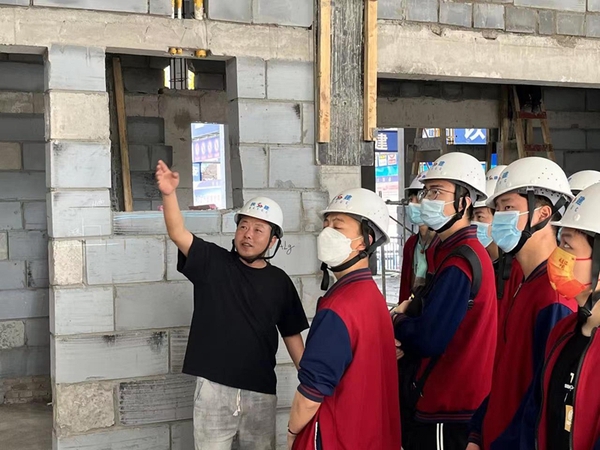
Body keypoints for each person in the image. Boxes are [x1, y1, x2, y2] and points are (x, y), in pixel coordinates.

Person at [155, 160, 309, 450]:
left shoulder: (280, 282)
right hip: (214, 389)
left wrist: (313, 383)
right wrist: (169, 193)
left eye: (258, 230)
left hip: (261, 391)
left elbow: (292, 336)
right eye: (243, 226)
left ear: (273, 240)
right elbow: (177, 232)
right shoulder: (212, 263)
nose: (248, 234)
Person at [468, 157, 578, 450]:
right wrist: (478, 430)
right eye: (497, 209)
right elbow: (506, 372)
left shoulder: (555, 297)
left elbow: (541, 398)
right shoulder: (521, 278)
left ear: (543, 213)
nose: (498, 218)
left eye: (508, 208)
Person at [392, 152, 497, 450]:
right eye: (426, 192)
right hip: (443, 400)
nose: (427, 200)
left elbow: (430, 337)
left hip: (450, 407)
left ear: (464, 202)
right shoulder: (449, 251)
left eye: (437, 192)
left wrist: (398, 320)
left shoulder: (461, 261)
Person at [287, 188, 401, 450]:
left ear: (365, 241)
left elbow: (310, 395)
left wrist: (292, 432)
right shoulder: (371, 295)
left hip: (337, 438)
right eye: (325, 224)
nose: (326, 233)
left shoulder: (339, 308)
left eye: (337, 226)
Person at [523, 182, 600, 450]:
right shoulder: (563, 331)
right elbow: (535, 412)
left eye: (568, 246)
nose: (557, 256)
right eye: (559, 243)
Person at [399, 175, 439, 304]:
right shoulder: (411, 244)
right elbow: (405, 285)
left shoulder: (442, 244)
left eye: (419, 198)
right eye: (411, 199)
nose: (412, 204)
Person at [472, 165, 507, 267]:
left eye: (480, 217)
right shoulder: (476, 258)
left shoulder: (514, 266)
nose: (473, 223)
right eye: (472, 217)